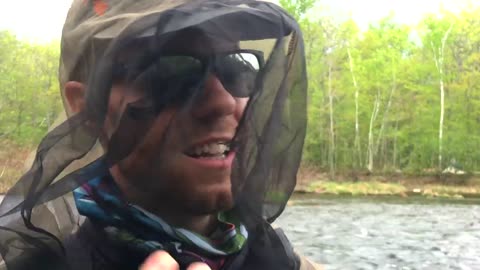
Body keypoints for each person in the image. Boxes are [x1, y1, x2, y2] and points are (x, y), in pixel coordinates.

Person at [0, 0, 319, 269]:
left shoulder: (280, 257)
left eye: (238, 68)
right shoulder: (44, 260)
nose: (222, 102)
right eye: (169, 75)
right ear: (88, 112)